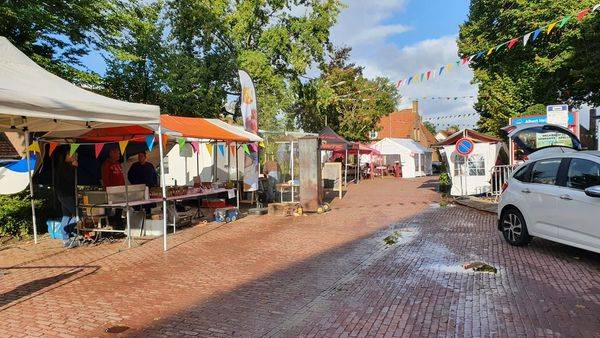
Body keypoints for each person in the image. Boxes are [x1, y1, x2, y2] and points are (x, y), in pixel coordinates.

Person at [55, 149, 79, 248]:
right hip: (66, 194)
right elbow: (69, 179)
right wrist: (74, 167)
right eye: (74, 155)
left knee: (67, 215)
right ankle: (67, 232)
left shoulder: (64, 166)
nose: (75, 158)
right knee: (78, 214)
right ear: (68, 156)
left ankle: (66, 238)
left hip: (64, 194)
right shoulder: (65, 167)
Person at [101, 147, 125, 227]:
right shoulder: (106, 164)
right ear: (111, 153)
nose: (119, 155)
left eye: (118, 153)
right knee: (110, 210)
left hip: (120, 190)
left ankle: (118, 224)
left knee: (119, 208)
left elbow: (121, 176)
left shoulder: (118, 163)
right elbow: (105, 178)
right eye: (117, 153)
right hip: (112, 191)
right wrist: (109, 190)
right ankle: (111, 225)